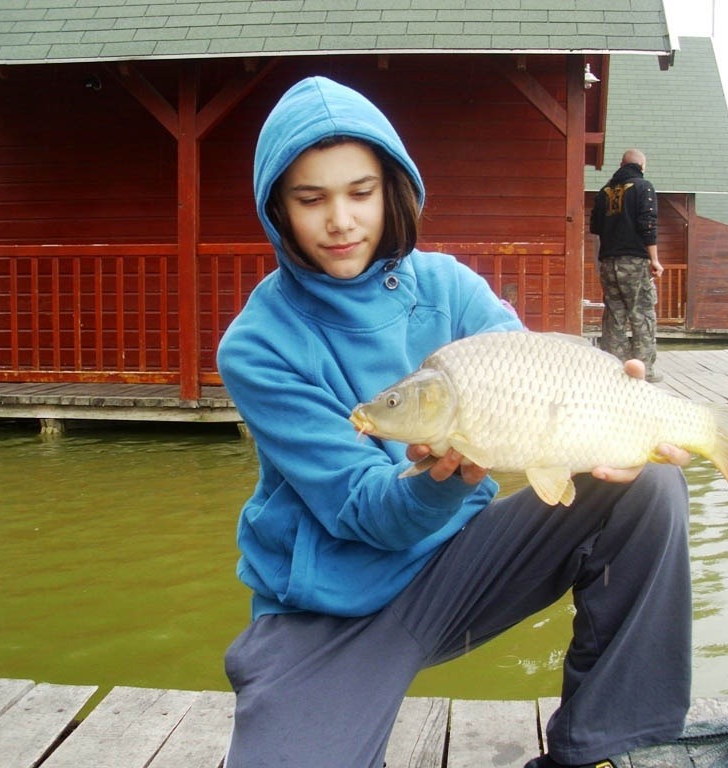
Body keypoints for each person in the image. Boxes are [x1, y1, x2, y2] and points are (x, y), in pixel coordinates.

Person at [217, 76, 692, 768]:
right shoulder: (258, 346)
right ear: (277, 210)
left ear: (390, 190)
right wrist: (438, 481)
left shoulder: (449, 289)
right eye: (310, 198)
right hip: (330, 611)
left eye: (359, 192)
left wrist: (610, 418)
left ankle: (602, 749)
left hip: (458, 570)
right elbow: (359, 509)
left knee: (647, 491)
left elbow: (541, 389)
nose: (340, 221)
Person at [590, 149, 664, 382]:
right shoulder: (644, 187)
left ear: (622, 164)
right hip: (634, 261)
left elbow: (596, 227)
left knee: (614, 315)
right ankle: (644, 371)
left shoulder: (604, 192)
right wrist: (654, 259)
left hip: (608, 262)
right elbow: (647, 225)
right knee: (641, 313)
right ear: (641, 166)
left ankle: (612, 370)